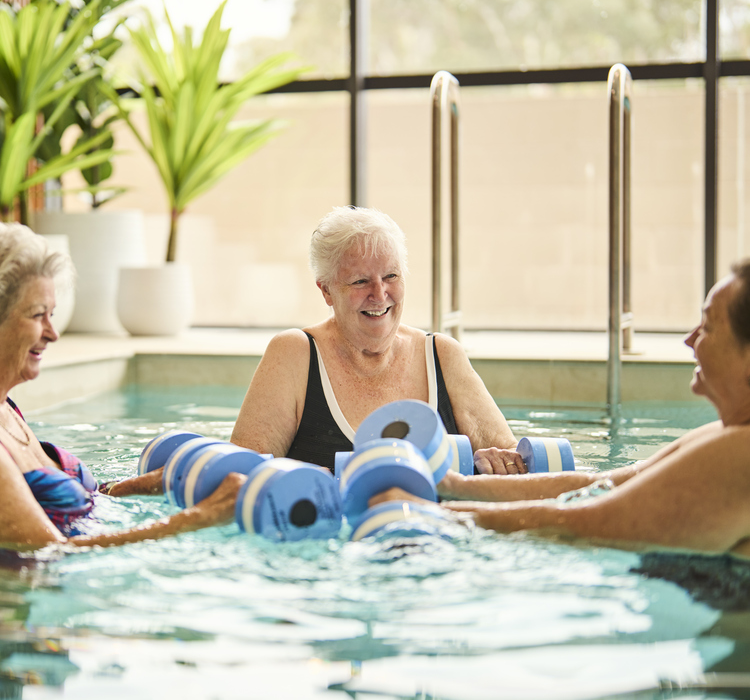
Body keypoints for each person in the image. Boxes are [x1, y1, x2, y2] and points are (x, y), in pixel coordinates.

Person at [370, 260, 750, 558]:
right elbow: (597, 487)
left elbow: (587, 522)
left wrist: (430, 515)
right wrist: (453, 486)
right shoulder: (722, 435)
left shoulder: (740, 454)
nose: (689, 340)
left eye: (709, 327)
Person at [0, 224, 243, 551]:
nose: (53, 333)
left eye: (52, 314)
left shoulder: (8, 408)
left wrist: (149, 484)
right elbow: (51, 549)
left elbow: (66, 506)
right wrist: (202, 516)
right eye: (37, 315)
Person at [231, 206, 522, 474]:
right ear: (326, 291)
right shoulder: (294, 355)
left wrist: (496, 465)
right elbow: (239, 480)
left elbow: (515, 461)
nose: (380, 294)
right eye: (360, 281)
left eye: (391, 276)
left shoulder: (442, 356)